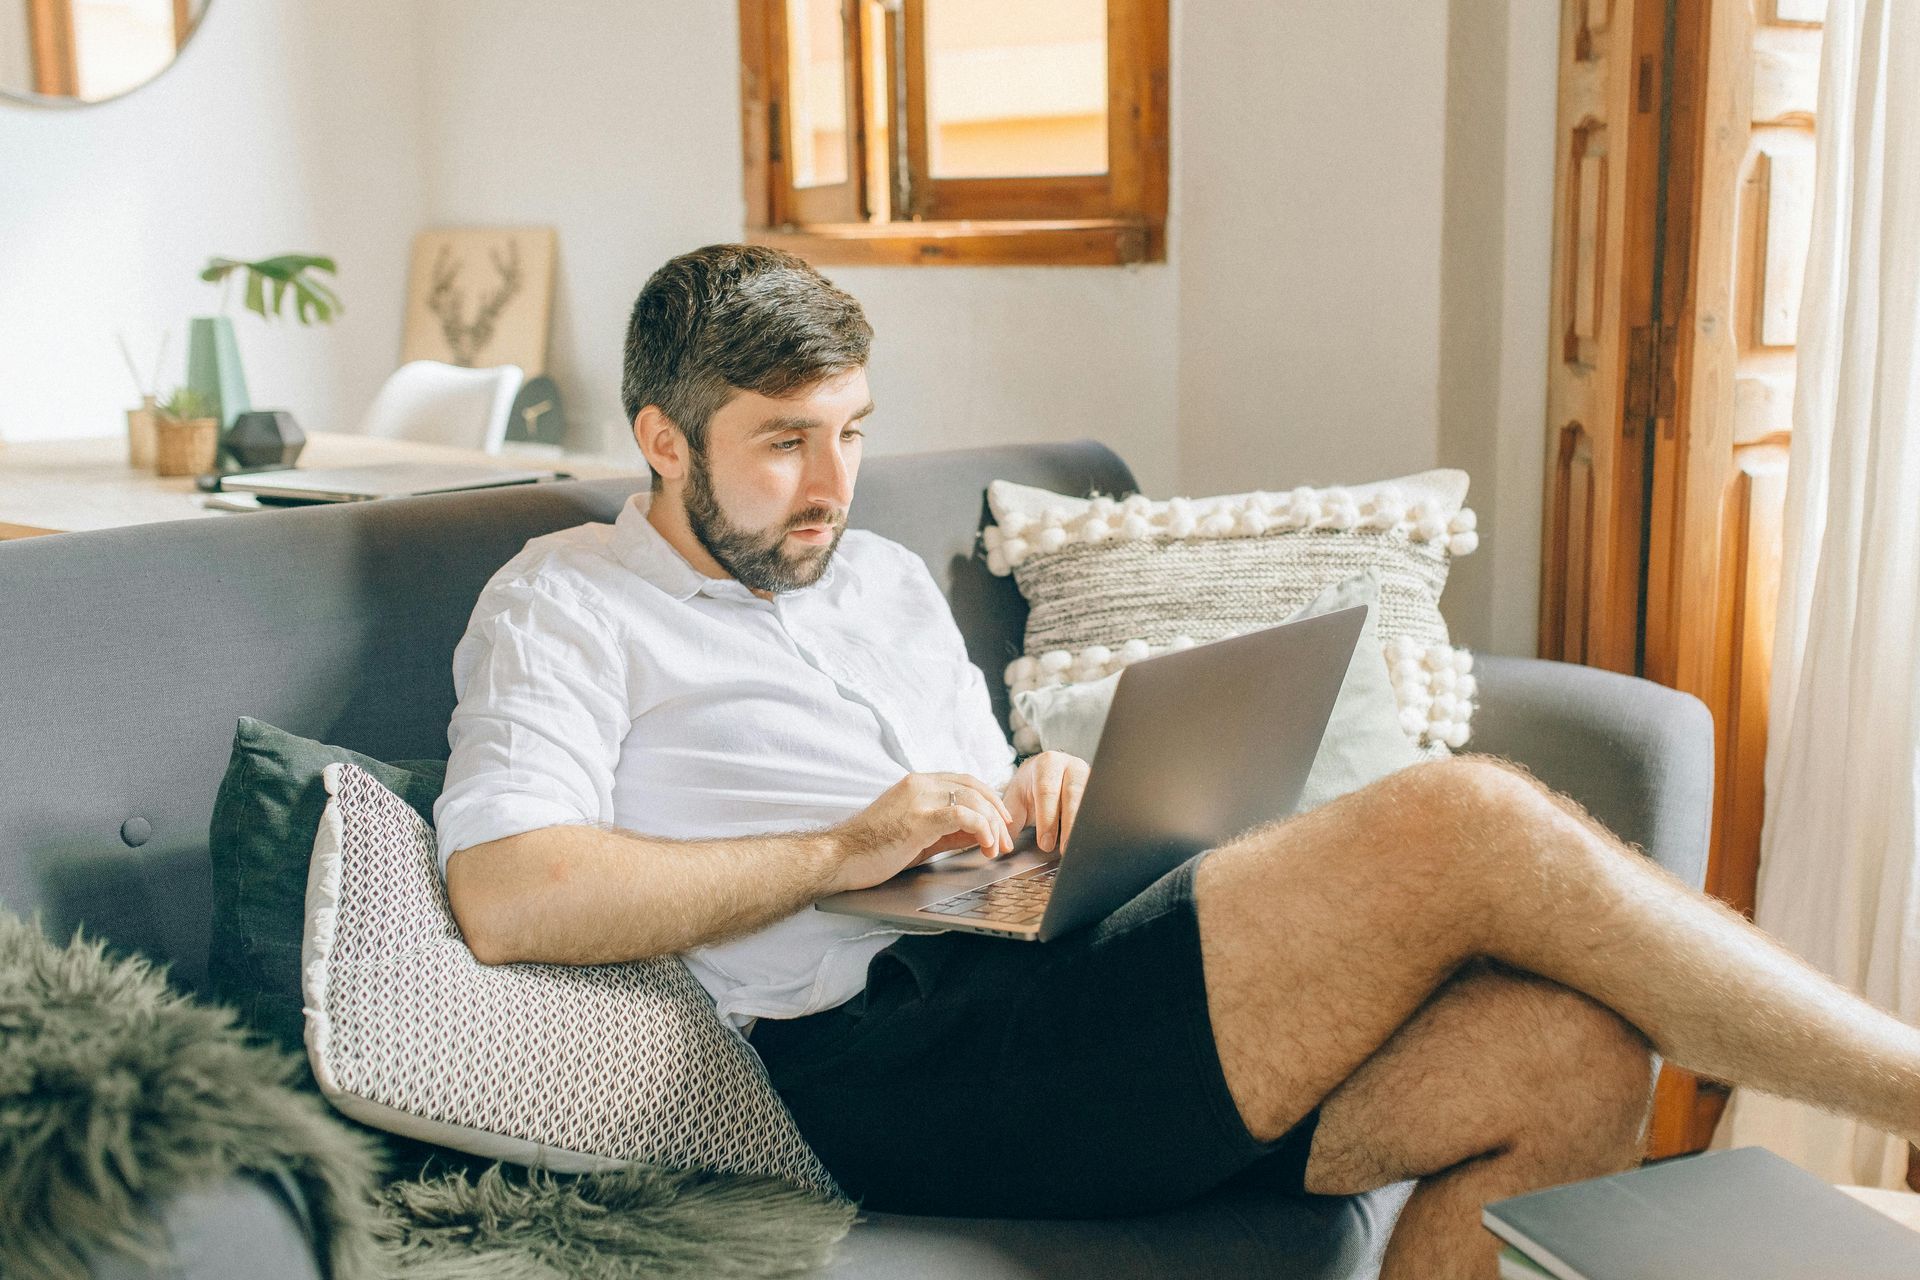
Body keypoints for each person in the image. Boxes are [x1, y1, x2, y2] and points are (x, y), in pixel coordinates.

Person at [434, 244, 1920, 1279]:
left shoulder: (876, 580)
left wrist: (1034, 794)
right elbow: (508, 893)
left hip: (1049, 976)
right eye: (783, 445)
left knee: (1572, 1053)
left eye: (852, 434)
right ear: (664, 441)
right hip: (889, 1059)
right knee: (1465, 820)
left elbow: (974, 802)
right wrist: (837, 853)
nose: (831, 485)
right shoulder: (566, 602)